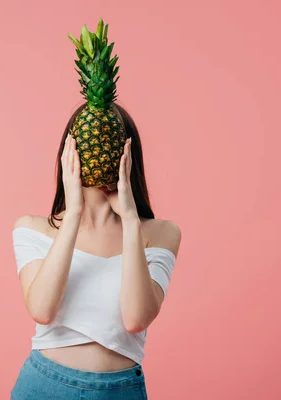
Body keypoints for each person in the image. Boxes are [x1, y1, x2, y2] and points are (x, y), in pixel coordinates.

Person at [10, 102, 182, 399]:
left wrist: (129, 219)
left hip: (120, 391)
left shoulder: (161, 233)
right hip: (44, 387)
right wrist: (73, 212)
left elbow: (135, 318)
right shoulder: (33, 228)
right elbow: (41, 309)